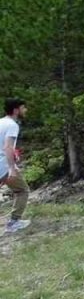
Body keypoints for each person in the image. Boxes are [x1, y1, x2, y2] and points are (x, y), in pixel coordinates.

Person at [2, 99, 31, 233]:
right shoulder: (13, 125)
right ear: (15, 110)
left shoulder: (1, 122)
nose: (25, 110)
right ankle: (14, 222)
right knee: (22, 190)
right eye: (23, 108)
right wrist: (12, 168)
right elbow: (7, 147)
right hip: (3, 166)